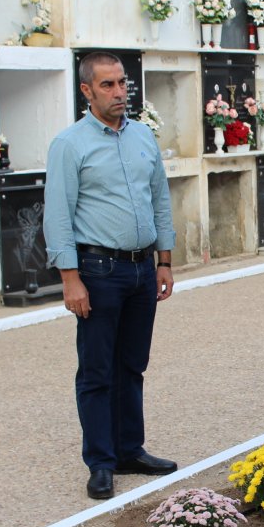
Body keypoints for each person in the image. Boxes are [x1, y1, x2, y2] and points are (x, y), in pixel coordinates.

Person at [44, 51, 178, 500]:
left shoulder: (143, 137)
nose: (120, 92)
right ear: (86, 90)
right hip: (97, 271)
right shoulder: (70, 144)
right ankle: (100, 462)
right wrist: (70, 278)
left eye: (123, 83)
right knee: (97, 370)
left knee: (132, 365)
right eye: (108, 85)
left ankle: (129, 449)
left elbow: (160, 199)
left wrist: (165, 261)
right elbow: (58, 215)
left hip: (143, 269)